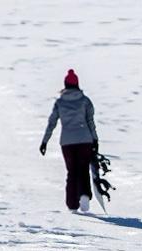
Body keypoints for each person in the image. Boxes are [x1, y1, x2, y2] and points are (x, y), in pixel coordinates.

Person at [39, 69, 98, 212]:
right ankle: (84, 196)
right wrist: (95, 139)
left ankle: (72, 204)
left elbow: (52, 123)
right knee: (83, 169)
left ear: (65, 84)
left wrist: (44, 141)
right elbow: (90, 121)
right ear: (77, 84)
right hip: (85, 140)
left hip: (67, 142)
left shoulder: (59, 102)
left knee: (72, 171)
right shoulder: (85, 101)